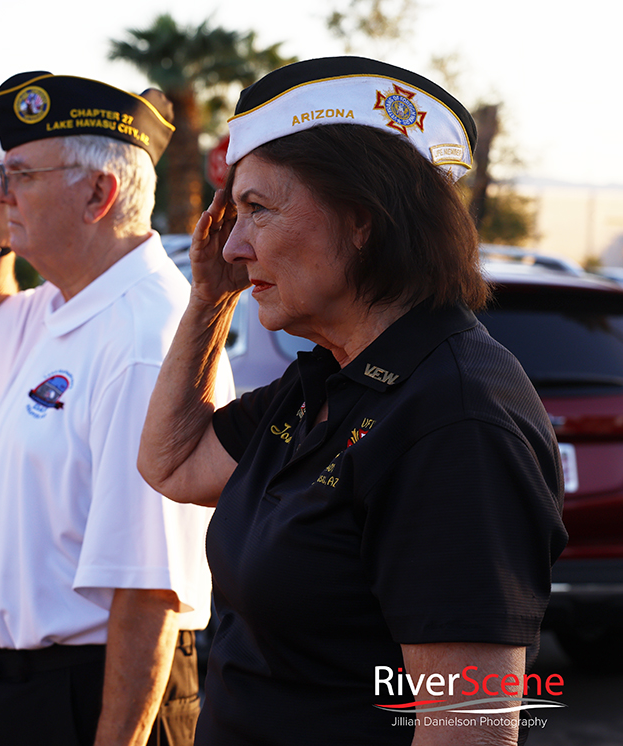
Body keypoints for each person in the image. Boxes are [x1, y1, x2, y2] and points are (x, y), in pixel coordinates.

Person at [137, 56, 569, 746]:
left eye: (257, 209)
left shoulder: (453, 414)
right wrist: (208, 299)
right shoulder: (331, 382)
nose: (235, 243)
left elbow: (467, 724)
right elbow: (173, 463)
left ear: (361, 219)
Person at [0, 71, 234, 746]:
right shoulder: (66, 304)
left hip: (85, 702)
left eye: (19, 176)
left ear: (98, 192)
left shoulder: (142, 338)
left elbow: (147, 591)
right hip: (20, 695)